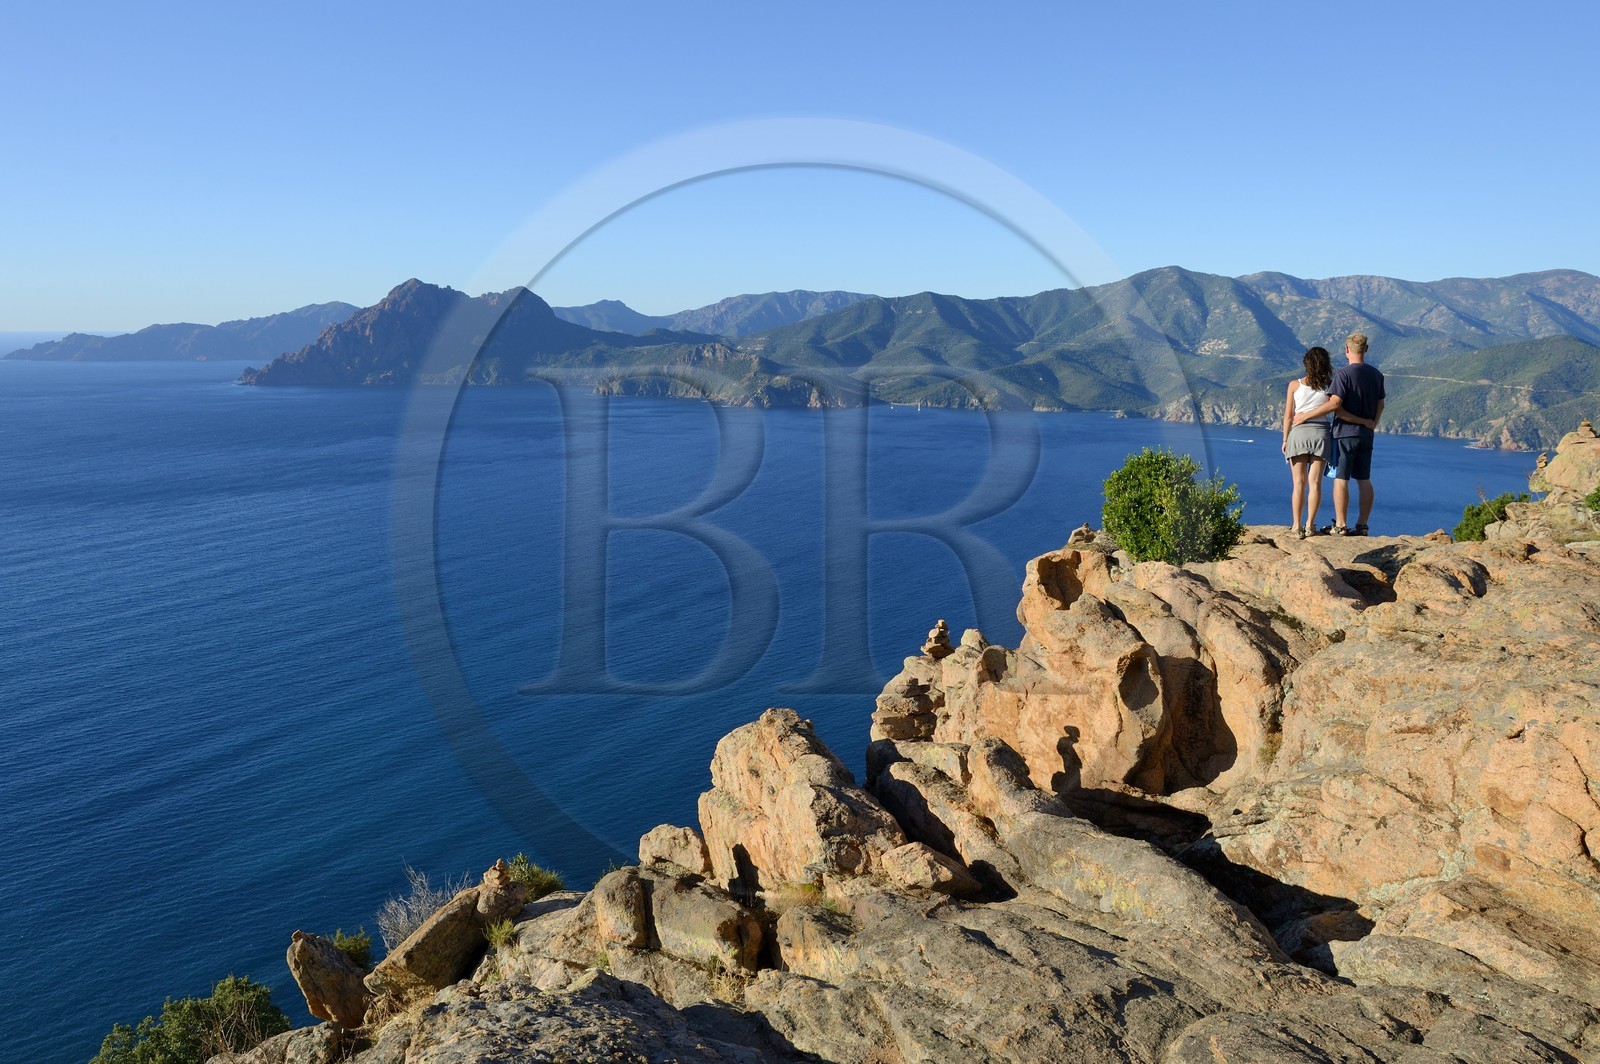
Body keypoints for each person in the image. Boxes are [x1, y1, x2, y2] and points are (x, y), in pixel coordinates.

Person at [1295, 332, 1383, 535]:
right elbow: (1381, 403)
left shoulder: (1343, 375)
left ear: (1346, 350)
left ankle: (1341, 525)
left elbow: (1335, 405)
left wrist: (1305, 416)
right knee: (1364, 479)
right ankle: (1362, 525)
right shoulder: (1377, 375)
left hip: (1345, 434)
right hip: (1366, 435)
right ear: (1366, 350)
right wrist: (1372, 423)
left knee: (1341, 479)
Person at [1280, 346, 1335, 539]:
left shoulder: (1294, 385)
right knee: (1315, 482)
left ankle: (1296, 526)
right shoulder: (1330, 385)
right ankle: (1310, 525)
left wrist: (1285, 439)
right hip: (1321, 434)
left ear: (1307, 364)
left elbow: (1288, 415)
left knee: (1298, 483)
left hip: (1299, 434)